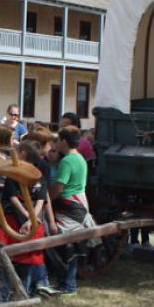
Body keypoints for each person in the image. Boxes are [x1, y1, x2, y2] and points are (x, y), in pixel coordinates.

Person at [0, 140, 58, 297]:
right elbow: (12, 197)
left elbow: (41, 199)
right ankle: (5, 291)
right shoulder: (14, 174)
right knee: (8, 257)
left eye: (17, 151)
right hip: (13, 218)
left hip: (30, 218)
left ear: (23, 153)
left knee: (31, 257)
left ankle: (30, 289)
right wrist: (28, 216)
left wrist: (31, 219)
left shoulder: (37, 174)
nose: (15, 153)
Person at [49, 126, 96, 294]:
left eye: (58, 140)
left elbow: (59, 187)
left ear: (63, 141)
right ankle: (69, 283)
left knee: (64, 245)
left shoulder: (67, 161)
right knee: (73, 244)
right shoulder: (80, 158)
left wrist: (46, 198)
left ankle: (67, 284)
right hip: (80, 203)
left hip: (68, 205)